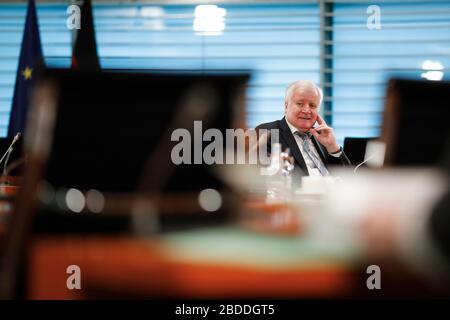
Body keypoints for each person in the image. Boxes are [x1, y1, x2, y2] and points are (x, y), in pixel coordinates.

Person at [256, 80, 351, 177]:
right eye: (300, 104)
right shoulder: (268, 132)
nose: (306, 110)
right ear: (286, 106)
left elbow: (350, 179)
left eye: (312, 105)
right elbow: (265, 176)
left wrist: (333, 147)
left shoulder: (322, 137)